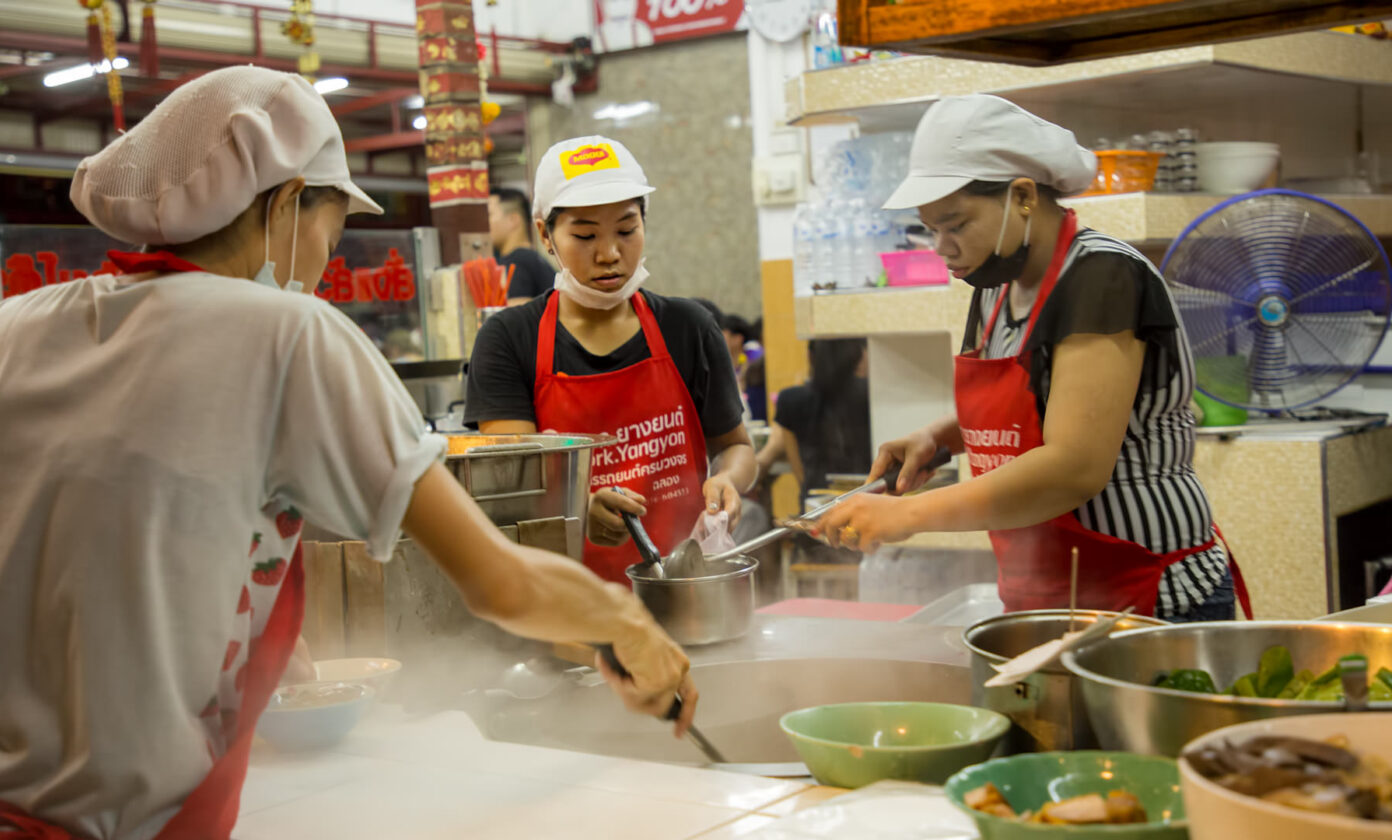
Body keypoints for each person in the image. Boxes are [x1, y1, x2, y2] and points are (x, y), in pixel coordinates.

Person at [0, 68, 695, 840]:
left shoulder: (16, 327)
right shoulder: (290, 337)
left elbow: (98, 538)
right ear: (286, 204)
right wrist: (627, 627)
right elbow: (500, 581)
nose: (328, 260)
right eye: (332, 224)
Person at [815, 95, 1249, 624]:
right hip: (1047, 595)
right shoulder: (998, 286)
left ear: (1022, 196)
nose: (942, 247)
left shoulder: (1101, 276)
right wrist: (942, 438)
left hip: (1150, 595)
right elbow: (1040, 399)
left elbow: (1074, 467)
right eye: (931, 229)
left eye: (955, 224)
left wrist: (907, 513)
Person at [463, 136, 756, 584]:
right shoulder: (508, 338)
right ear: (545, 234)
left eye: (626, 229)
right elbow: (512, 490)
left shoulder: (688, 327)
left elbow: (735, 446)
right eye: (584, 235)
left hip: (682, 591)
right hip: (567, 600)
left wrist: (730, 480)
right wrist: (580, 509)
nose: (609, 254)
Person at [758, 338, 871, 509]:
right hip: (869, 500)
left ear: (810, 356)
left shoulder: (790, 399)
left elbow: (799, 470)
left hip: (815, 504)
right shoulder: (870, 394)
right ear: (860, 355)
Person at [488, 186, 556, 303]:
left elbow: (515, 318)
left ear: (513, 220)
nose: (484, 222)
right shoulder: (531, 258)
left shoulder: (517, 263)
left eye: (489, 215)